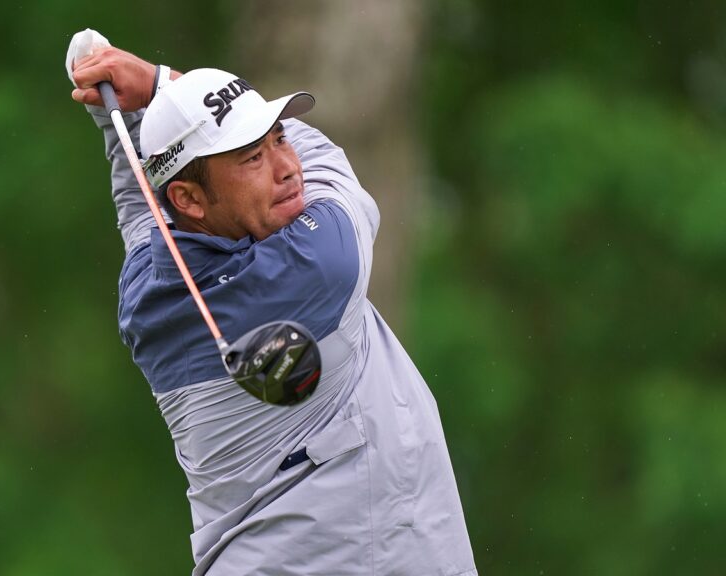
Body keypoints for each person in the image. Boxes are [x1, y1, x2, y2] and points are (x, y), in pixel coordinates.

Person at [69, 39, 478, 576]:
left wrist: (115, 120)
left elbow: (143, 208)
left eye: (279, 138)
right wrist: (159, 82)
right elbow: (325, 159)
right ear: (190, 200)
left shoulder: (149, 288)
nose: (286, 167)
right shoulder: (320, 266)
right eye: (253, 156)